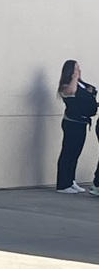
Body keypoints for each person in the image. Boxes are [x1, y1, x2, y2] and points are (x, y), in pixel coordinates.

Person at [55, 59, 97, 193]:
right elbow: (71, 91)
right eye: (75, 68)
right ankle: (62, 184)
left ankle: (71, 180)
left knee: (75, 153)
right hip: (71, 123)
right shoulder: (66, 85)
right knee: (68, 152)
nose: (79, 70)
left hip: (82, 122)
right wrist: (74, 77)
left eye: (79, 68)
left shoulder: (82, 84)